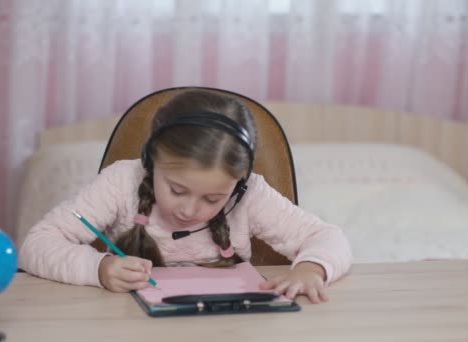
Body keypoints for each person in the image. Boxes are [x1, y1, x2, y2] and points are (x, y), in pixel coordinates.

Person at [19, 89, 352, 304]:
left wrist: (310, 269)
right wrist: (99, 268)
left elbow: (327, 236)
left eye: (213, 199)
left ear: (237, 184)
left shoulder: (250, 193)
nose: (191, 210)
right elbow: (37, 243)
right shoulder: (122, 181)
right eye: (177, 190)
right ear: (150, 163)